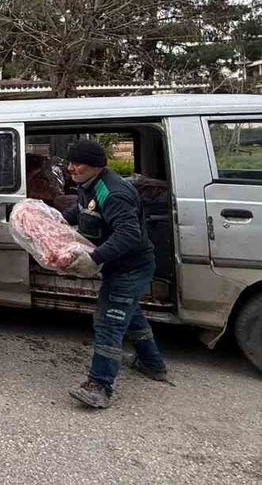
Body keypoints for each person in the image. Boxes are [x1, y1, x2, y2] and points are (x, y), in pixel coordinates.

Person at [61, 139, 170, 408]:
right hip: (119, 266)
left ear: (96, 165)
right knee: (129, 314)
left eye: (77, 163)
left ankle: (99, 385)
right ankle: (152, 364)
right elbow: (81, 211)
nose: (71, 168)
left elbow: (129, 234)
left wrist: (94, 257)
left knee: (109, 321)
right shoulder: (89, 185)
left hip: (130, 268)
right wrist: (52, 219)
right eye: (70, 162)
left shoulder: (113, 192)